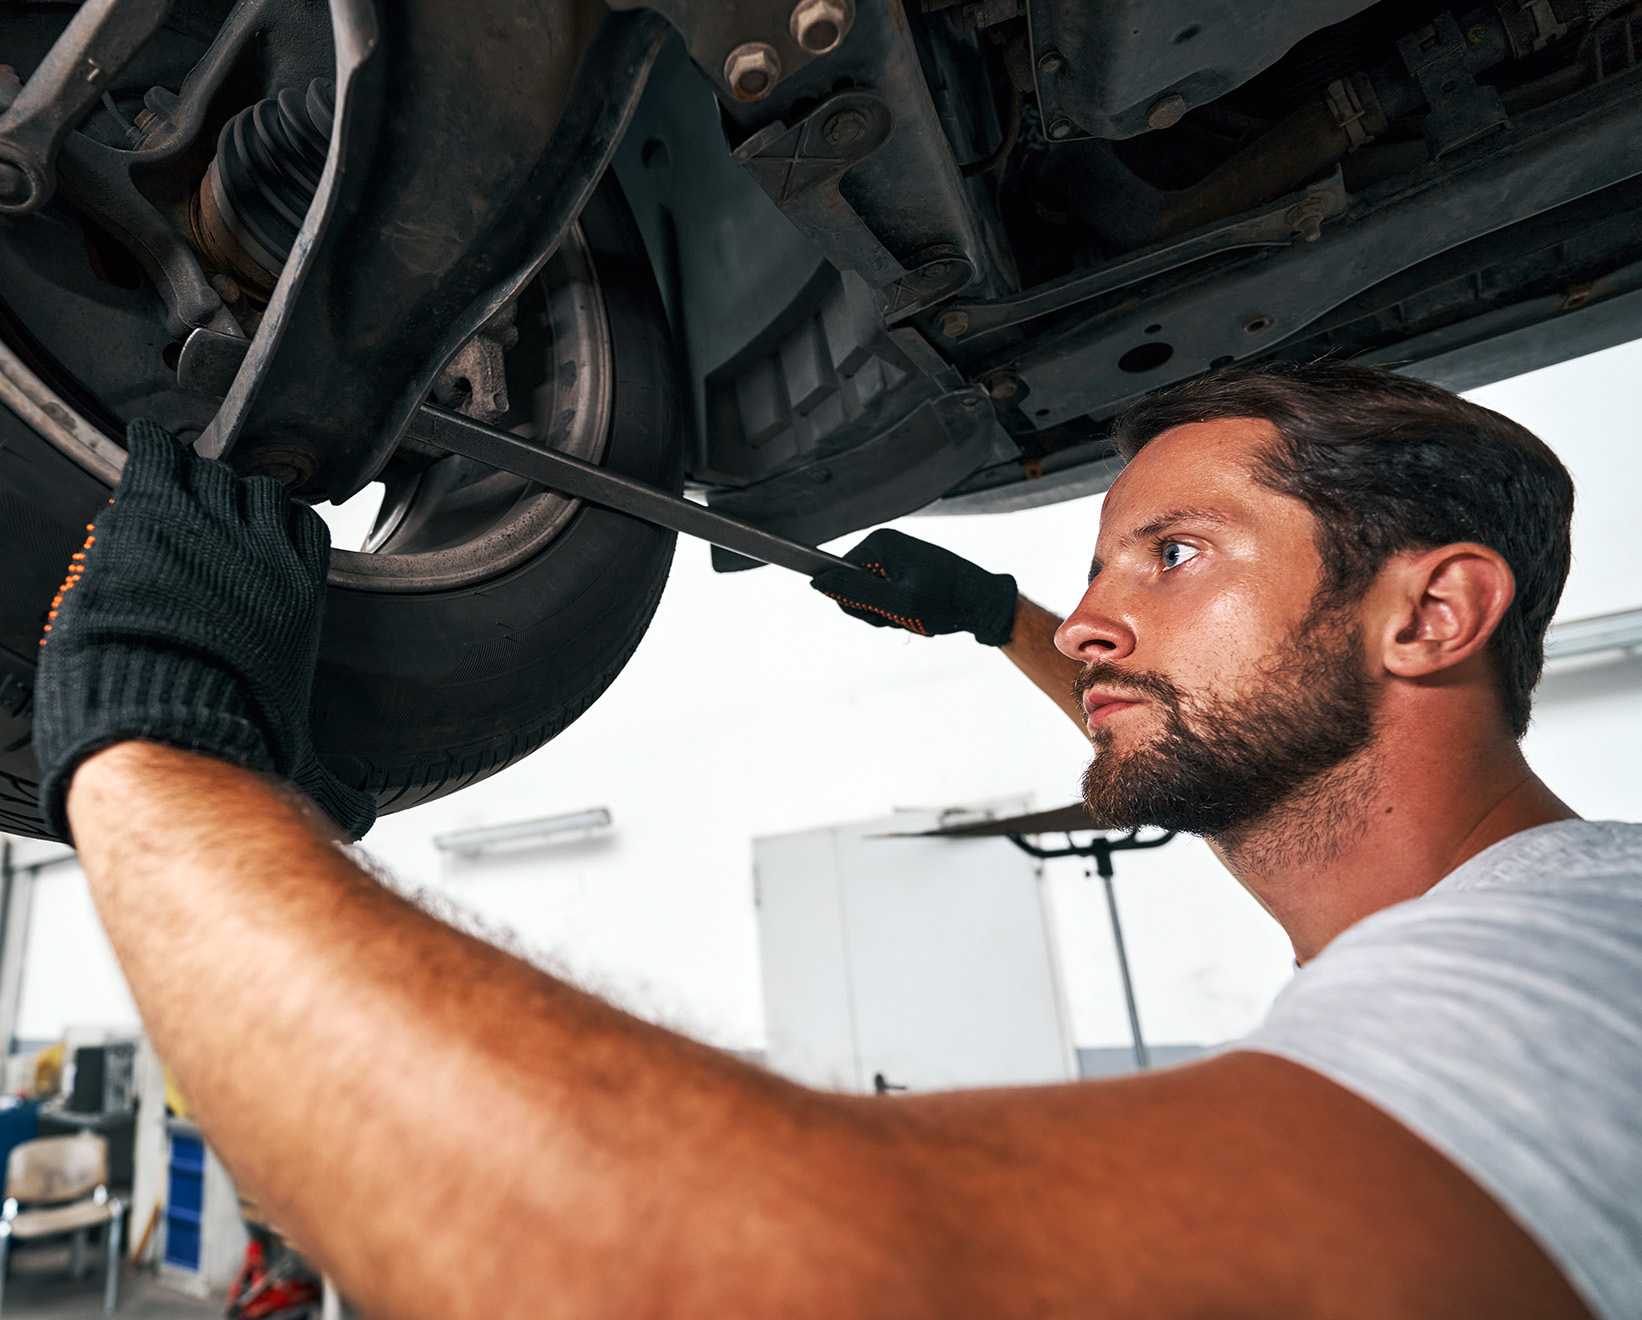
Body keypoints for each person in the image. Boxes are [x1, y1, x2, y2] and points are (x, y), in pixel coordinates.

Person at [28, 362, 1639, 1319]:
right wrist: (993, 617)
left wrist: (156, 743)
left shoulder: (1574, 969)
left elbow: (679, 1270)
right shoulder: (1502, 928)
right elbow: (1182, 705)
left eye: (1171, 555)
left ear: (1430, 613)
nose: (1094, 621)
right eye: (1095, 572)